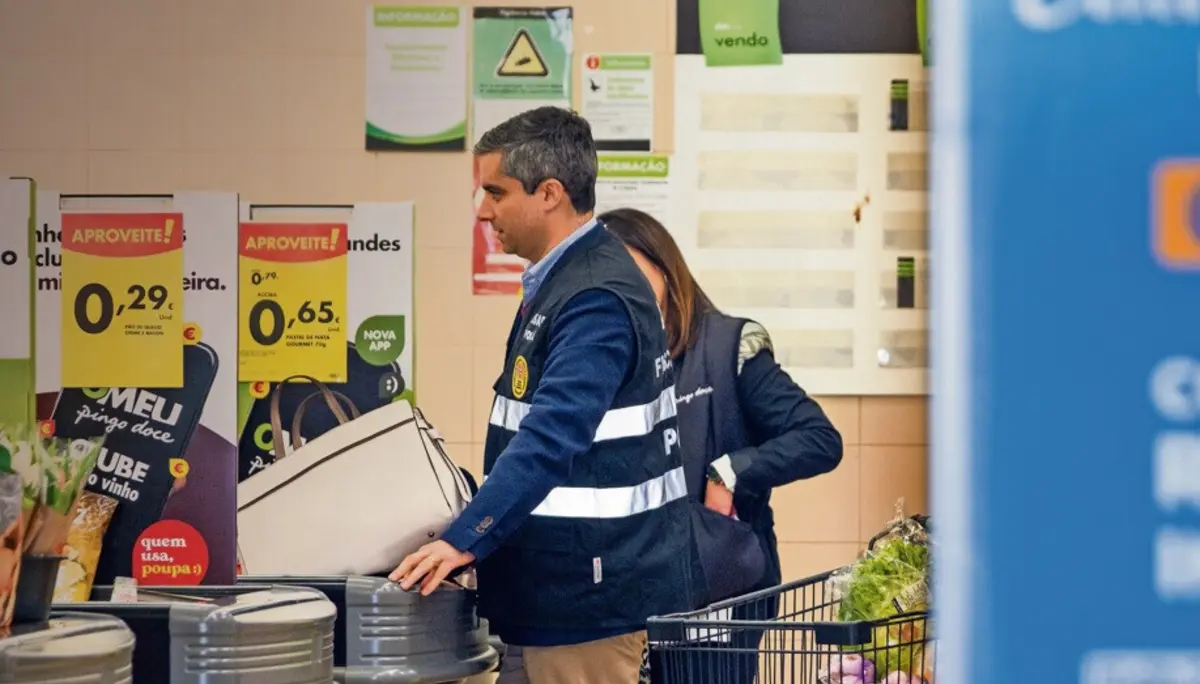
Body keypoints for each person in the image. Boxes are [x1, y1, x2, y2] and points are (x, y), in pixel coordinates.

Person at [389, 108, 698, 684]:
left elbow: (552, 436)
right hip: (556, 591)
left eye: (496, 192)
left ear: (550, 193)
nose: (483, 211)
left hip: (587, 602)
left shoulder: (595, 296)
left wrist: (465, 539)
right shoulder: (564, 281)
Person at [603, 207, 845, 683]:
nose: (620, 288)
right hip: (639, 586)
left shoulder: (729, 346)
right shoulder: (614, 357)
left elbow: (819, 439)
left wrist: (729, 471)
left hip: (722, 582)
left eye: (629, 270)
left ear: (665, 267)